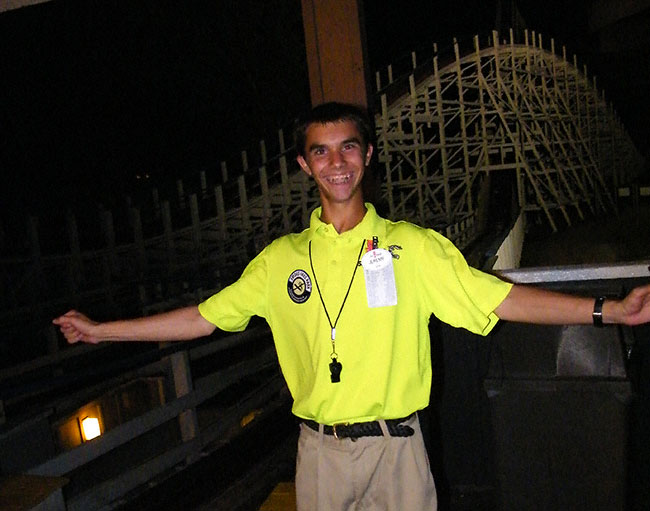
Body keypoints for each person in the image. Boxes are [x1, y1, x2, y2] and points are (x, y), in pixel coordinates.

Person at [54, 102, 650, 511]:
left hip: (399, 451)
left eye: (347, 149)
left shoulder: (411, 247)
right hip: (319, 452)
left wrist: (608, 311)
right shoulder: (280, 260)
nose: (335, 163)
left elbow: (500, 298)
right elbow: (201, 317)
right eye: (320, 152)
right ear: (304, 165)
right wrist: (104, 331)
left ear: (367, 156)